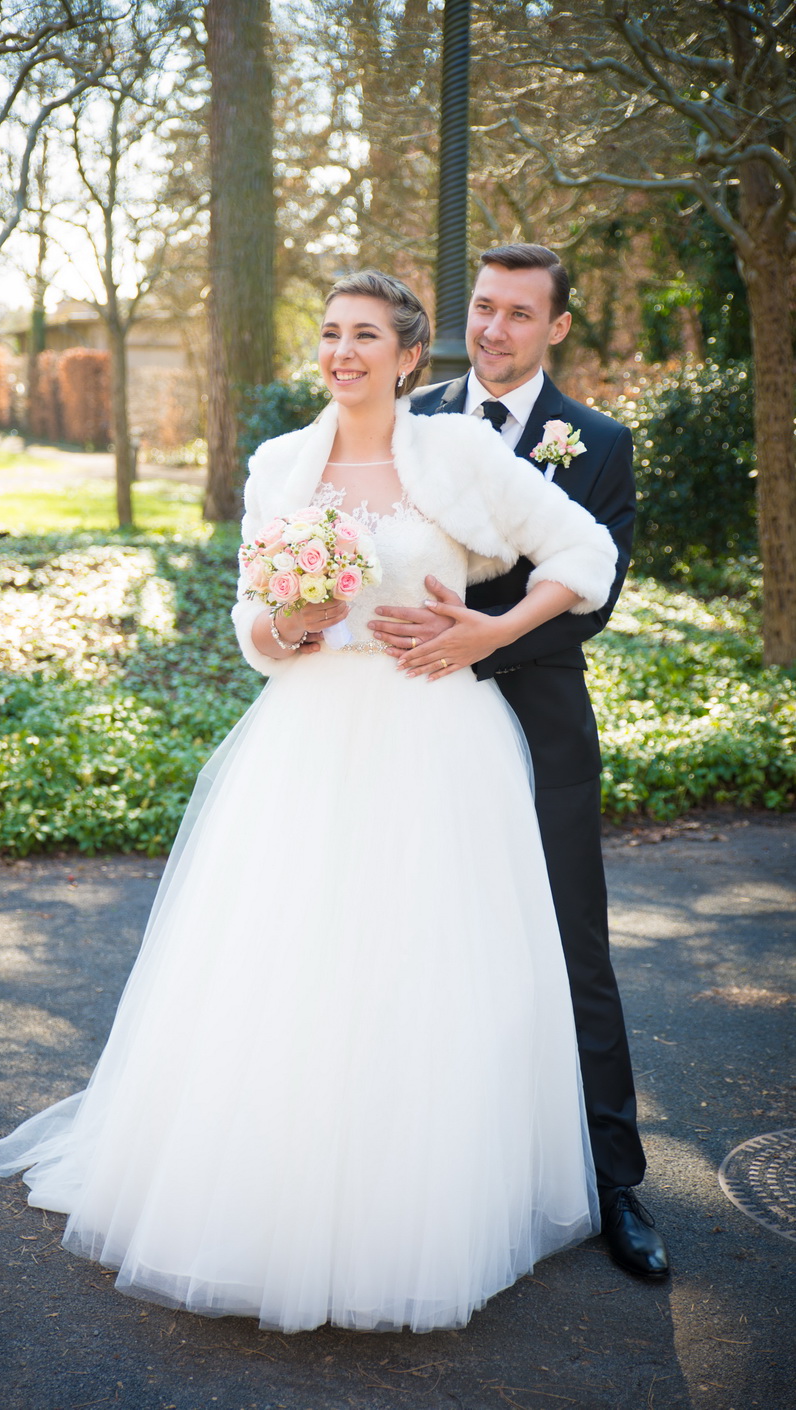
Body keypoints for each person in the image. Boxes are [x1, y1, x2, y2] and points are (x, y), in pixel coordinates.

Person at [0, 270, 620, 1334]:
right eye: (327, 333)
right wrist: (296, 623)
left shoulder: (456, 453)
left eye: (365, 335)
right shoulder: (280, 465)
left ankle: (410, 1213)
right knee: (289, 962)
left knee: (419, 968)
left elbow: (586, 554)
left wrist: (487, 633)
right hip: (306, 742)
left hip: (433, 735)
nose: (341, 352)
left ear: (410, 357)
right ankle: (269, 1198)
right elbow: (252, 633)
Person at [369, 244, 670, 1281]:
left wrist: (478, 635)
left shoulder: (598, 443)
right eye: (481, 308)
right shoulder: (410, 424)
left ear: (555, 328)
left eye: (515, 313)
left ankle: (613, 1184)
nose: (492, 329)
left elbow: (596, 590)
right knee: (417, 938)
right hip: (413, 725)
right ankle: (437, 1166)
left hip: (537, 726)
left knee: (570, 946)